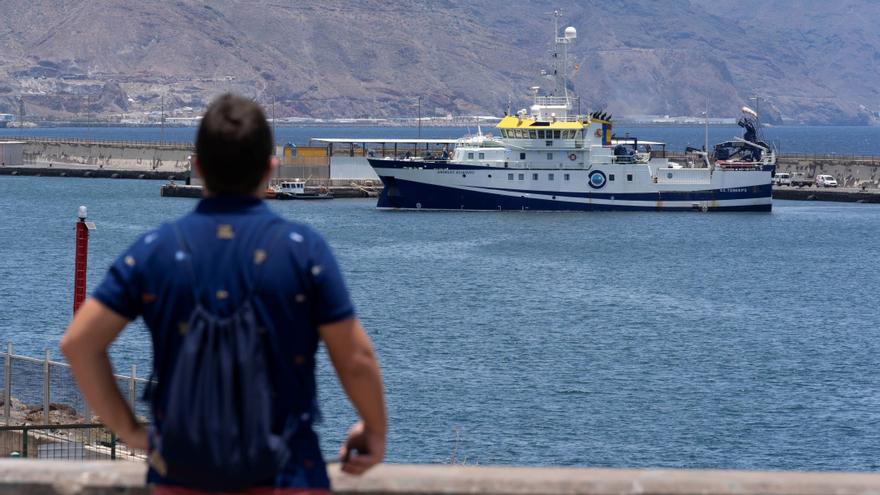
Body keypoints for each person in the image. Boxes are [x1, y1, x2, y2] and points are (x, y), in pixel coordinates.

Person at [61, 94, 386, 494]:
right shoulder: (304, 251)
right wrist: (374, 430)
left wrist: (130, 432)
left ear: (198, 168)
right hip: (288, 476)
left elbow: (79, 344)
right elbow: (355, 359)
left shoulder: (156, 250)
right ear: (270, 169)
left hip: (182, 477)